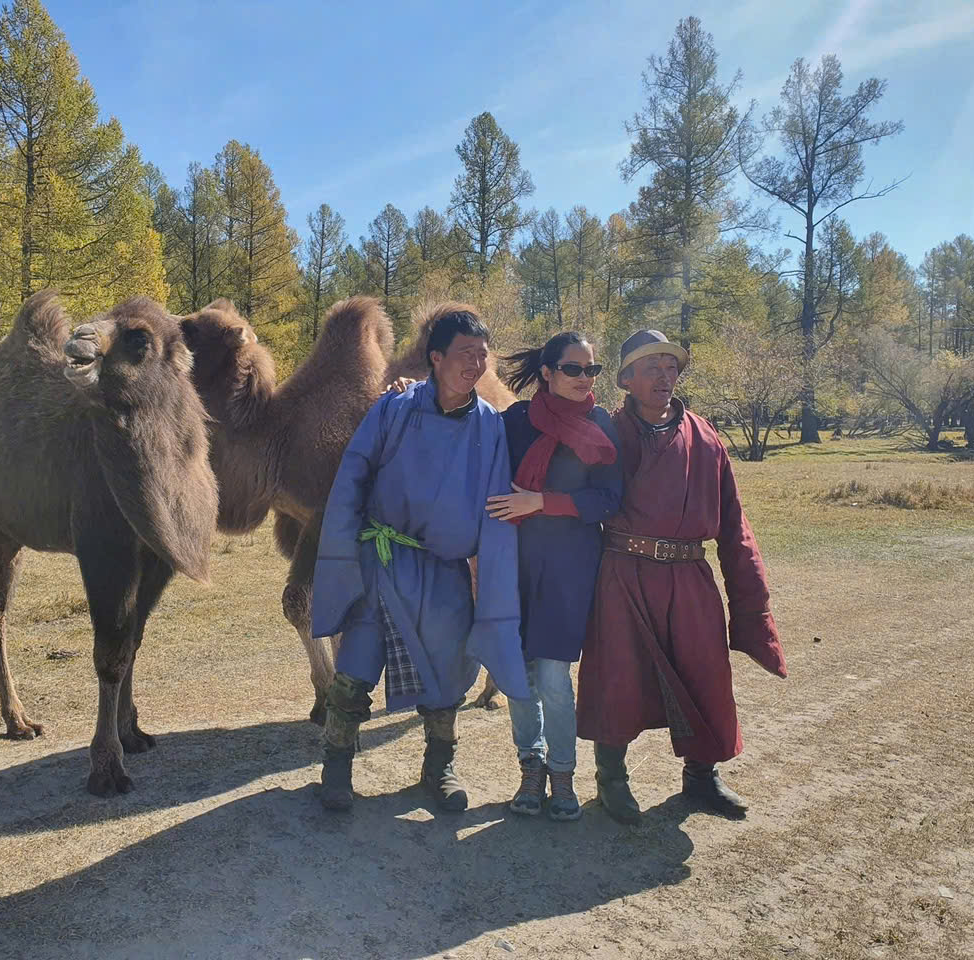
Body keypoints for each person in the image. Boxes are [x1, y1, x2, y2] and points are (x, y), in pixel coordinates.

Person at [312, 303, 530, 813]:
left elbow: (496, 501)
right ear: (436, 357)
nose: (476, 364)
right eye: (465, 353)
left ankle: (439, 767)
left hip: (444, 570)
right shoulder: (395, 408)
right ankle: (336, 765)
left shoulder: (490, 425)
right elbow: (354, 475)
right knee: (356, 665)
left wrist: (490, 575)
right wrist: (343, 551)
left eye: (482, 354)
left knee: (448, 667)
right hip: (383, 561)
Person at [577, 329, 787, 823]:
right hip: (623, 573)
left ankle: (701, 776)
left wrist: (751, 600)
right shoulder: (605, 432)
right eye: (652, 368)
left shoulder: (706, 437)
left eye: (671, 367)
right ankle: (611, 780)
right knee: (618, 676)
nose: (664, 377)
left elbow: (734, 524)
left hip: (690, 577)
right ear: (626, 379)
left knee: (704, 673)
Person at [485, 332, 622, 821]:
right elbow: (461, 434)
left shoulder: (600, 423)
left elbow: (608, 500)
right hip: (515, 564)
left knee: (553, 676)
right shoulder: (514, 421)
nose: (585, 378)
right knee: (519, 674)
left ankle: (562, 772)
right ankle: (531, 767)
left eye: (592, 369)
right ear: (547, 372)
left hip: (570, 567)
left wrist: (540, 501)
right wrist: (406, 391)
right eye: (573, 369)